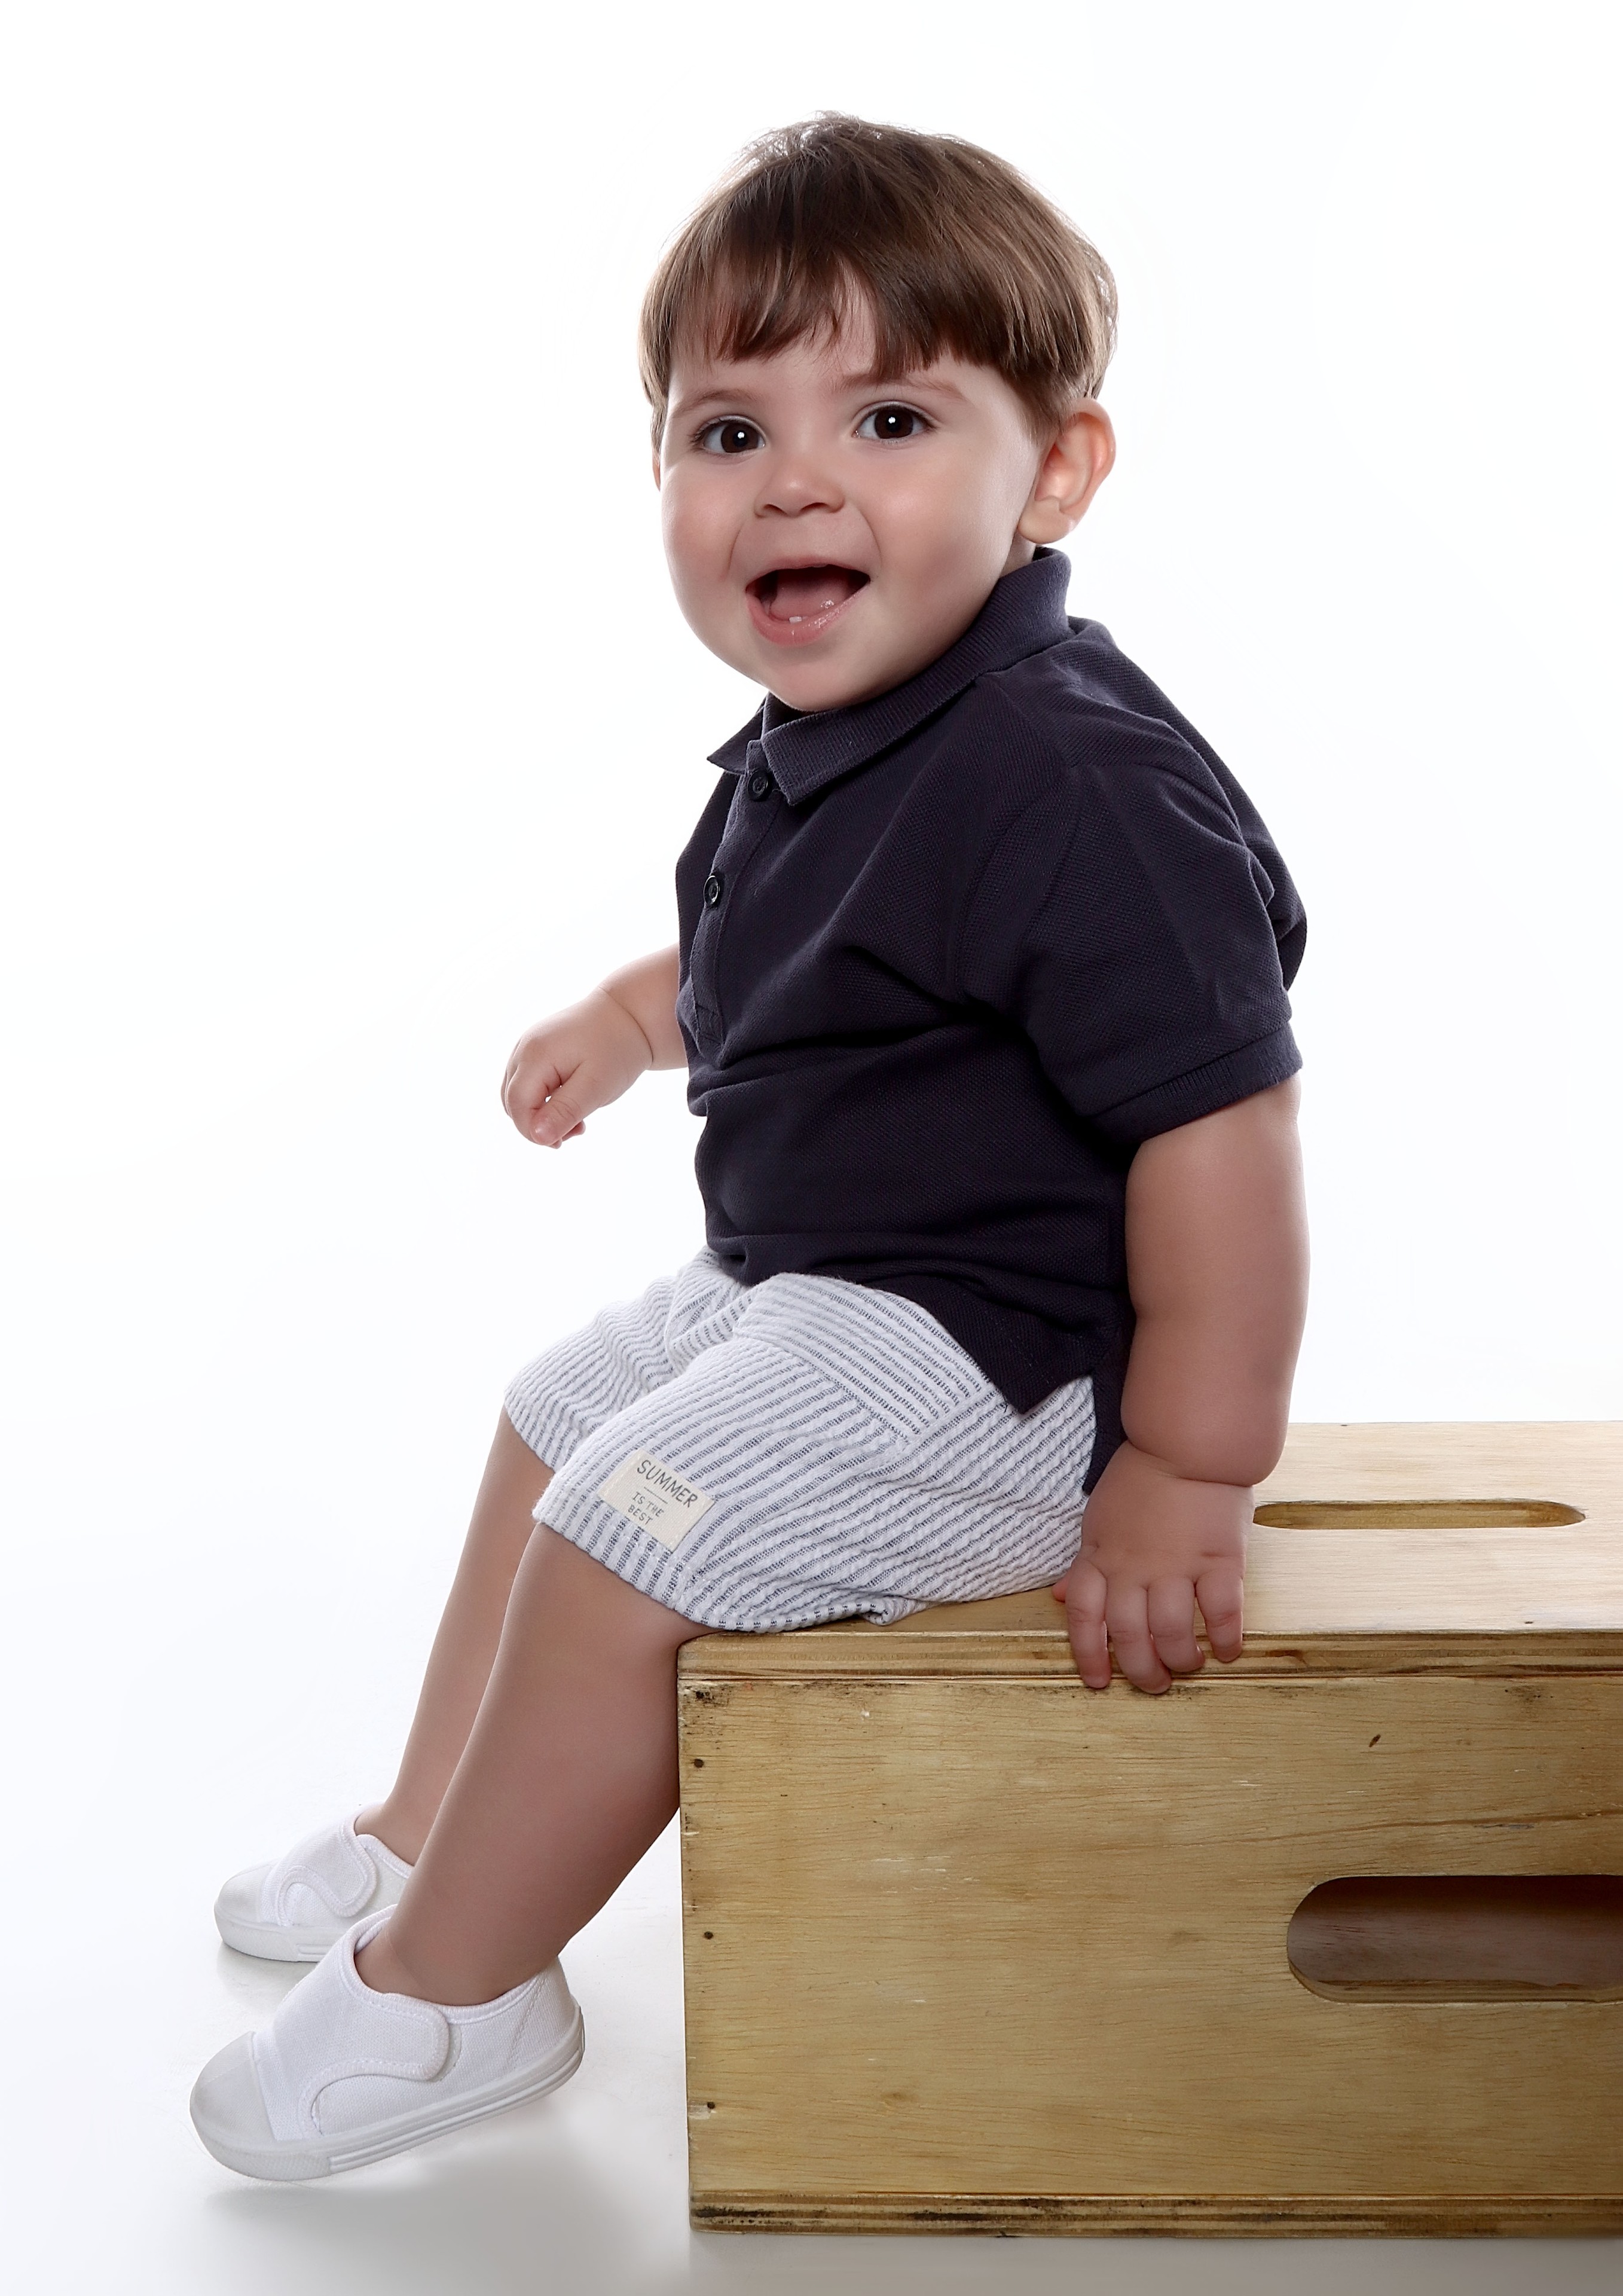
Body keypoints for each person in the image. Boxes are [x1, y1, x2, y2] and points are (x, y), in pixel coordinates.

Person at [191, 114, 1309, 2182]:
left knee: (630, 1520)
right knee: (558, 1415)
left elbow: (1220, 1124)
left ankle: (460, 1993)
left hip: (1014, 1362)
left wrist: (1184, 1469)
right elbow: (783, 967)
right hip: (824, 1282)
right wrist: (631, 1024)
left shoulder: (1070, 776)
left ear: (1054, 471)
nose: (795, 480)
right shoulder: (828, 741)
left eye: (888, 417)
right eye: (728, 433)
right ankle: (430, 1831)